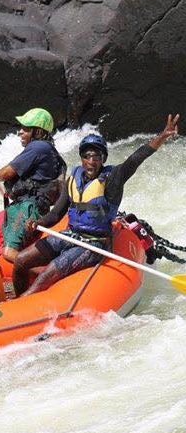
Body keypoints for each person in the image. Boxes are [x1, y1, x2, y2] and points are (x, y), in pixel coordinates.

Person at [13, 114, 180, 296]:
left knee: (46, 275)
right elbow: (56, 214)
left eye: (96, 156)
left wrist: (162, 137)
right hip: (70, 235)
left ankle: (21, 304)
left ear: (103, 159)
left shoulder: (112, 179)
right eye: (87, 156)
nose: (91, 161)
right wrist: (38, 223)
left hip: (94, 244)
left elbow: (135, 159)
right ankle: (17, 299)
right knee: (21, 260)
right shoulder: (73, 179)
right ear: (82, 158)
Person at [0, 108, 66, 262]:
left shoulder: (38, 147)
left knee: (8, 253)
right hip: (33, 205)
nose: (20, 132)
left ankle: (45, 275)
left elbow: (7, 173)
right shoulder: (49, 150)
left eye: (26, 129)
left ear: (38, 131)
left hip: (28, 207)